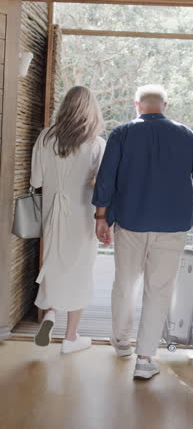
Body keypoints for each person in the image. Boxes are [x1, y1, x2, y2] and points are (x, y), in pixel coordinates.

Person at [92, 84, 193, 380]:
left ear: (137, 104)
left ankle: (121, 343)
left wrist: (100, 216)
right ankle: (145, 359)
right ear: (165, 104)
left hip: (130, 222)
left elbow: (105, 178)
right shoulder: (186, 135)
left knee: (124, 283)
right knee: (158, 290)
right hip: (172, 226)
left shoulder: (122, 133)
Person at [31, 86, 105, 353]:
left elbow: (36, 180)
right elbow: (103, 187)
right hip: (83, 216)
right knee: (80, 271)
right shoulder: (96, 144)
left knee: (54, 263)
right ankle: (71, 338)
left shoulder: (45, 138)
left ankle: (50, 313)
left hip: (53, 214)